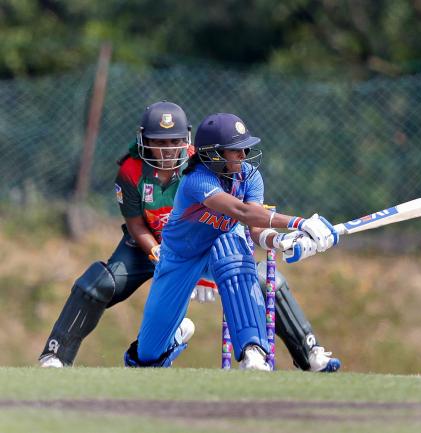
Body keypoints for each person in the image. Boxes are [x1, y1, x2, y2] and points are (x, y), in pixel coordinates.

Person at [39, 102, 340, 372]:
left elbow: (247, 221)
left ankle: (302, 351)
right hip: (157, 249)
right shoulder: (141, 172)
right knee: (101, 285)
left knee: (259, 275)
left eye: (175, 141)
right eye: (159, 142)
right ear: (144, 140)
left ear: (187, 140)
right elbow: (135, 224)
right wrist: (157, 253)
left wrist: (276, 240)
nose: (168, 149)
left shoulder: (223, 166)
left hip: (212, 245)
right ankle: (56, 355)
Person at [124, 112, 339, 371]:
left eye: (245, 148)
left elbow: (256, 229)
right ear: (214, 154)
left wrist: (282, 241)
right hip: (180, 257)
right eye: (235, 150)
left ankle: (253, 351)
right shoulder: (197, 180)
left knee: (232, 249)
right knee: (147, 355)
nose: (243, 154)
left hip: (224, 246)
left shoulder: (249, 177)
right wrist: (301, 222)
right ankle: (174, 334)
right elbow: (243, 212)